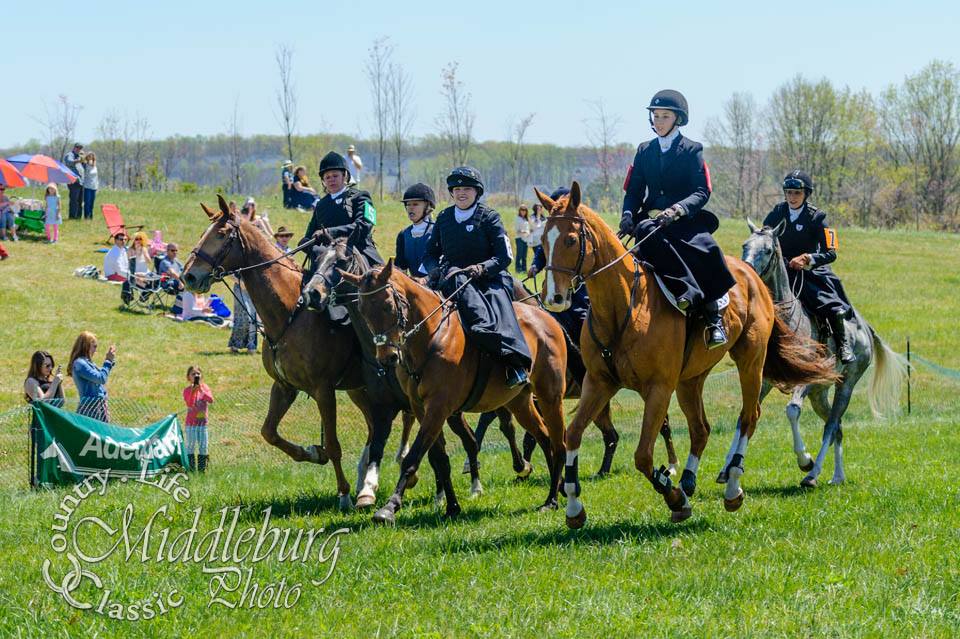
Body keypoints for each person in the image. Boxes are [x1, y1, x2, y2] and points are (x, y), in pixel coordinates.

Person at [619, 89, 735, 349]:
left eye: (664, 116)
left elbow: (702, 190)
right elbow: (634, 189)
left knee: (708, 252)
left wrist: (677, 210)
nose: (658, 121)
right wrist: (627, 213)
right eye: (655, 116)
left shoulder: (692, 149)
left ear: (677, 119)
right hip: (649, 222)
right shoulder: (644, 150)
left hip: (682, 220)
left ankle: (712, 315)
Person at [422, 166, 532, 388]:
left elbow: (505, 256)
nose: (461, 193)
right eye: (457, 189)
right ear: (451, 192)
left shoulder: (490, 217)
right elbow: (430, 253)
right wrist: (434, 270)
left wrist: (481, 268)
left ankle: (514, 363)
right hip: (452, 277)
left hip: (487, 280)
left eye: (467, 189)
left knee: (501, 313)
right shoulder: (443, 218)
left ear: (477, 192)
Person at [763, 170, 855, 363]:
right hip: (782, 269)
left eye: (797, 193)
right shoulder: (777, 213)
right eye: (788, 192)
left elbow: (831, 253)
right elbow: (764, 237)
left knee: (831, 307)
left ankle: (843, 344)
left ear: (806, 194)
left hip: (808, 272)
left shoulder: (818, 217)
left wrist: (807, 258)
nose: (792, 197)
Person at [300, 151, 383, 313]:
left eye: (335, 176)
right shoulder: (321, 205)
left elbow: (364, 225)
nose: (331, 180)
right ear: (323, 181)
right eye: (327, 177)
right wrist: (306, 241)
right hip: (329, 258)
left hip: (358, 252)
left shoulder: (360, 196)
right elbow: (312, 233)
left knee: (381, 285)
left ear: (345, 176)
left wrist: (329, 232)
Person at [68, 331, 116, 422]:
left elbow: (101, 375)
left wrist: (110, 362)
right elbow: (100, 378)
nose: (95, 350)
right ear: (86, 346)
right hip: (90, 410)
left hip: (99, 407)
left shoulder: (87, 363)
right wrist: (108, 361)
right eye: (94, 346)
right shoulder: (80, 364)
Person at [394, 183, 436, 278]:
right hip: (415, 286)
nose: (410, 208)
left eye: (415, 204)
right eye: (408, 204)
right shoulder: (403, 235)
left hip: (439, 286)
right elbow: (401, 267)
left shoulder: (438, 231)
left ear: (428, 206)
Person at [182, 365, 214, 472]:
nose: (196, 375)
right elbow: (190, 403)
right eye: (193, 374)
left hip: (202, 424)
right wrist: (193, 391)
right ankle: (190, 470)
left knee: (203, 446)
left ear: (201, 376)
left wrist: (201, 390)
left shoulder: (205, 387)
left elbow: (210, 400)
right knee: (190, 446)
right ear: (188, 377)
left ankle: (202, 470)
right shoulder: (187, 390)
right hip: (191, 424)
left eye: (198, 374)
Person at [227, 276, 258, 354]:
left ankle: (251, 345)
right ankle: (235, 345)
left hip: (253, 286)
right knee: (243, 316)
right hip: (240, 287)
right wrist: (239, 282)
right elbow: (228, 272)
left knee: (252, 317)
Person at [63, 143, 84, 220]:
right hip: (73, 181)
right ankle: (72, 217)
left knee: (80, 201)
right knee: (74, 200)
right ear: (74, 147)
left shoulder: (79, 156)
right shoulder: (70, 155)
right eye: (77, 148)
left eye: (80, 148)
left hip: (80, 182)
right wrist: (78, 161)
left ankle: (78, 217)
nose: (78, 149)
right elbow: (69, 162)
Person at [80, 152, 99, 220]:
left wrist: (97, 187)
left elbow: (96, 177)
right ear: (87, 158)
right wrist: (82, 156)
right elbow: (81, 160)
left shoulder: (95, 166)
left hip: (94, 187)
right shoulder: (85, 165)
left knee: (91, 203)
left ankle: (90, 217)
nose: (91, 158)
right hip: (87, 186)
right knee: (87, 203)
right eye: (89, 156)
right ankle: (86, 217)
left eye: (92, 156)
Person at [514, 205, 531, 273]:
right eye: (522, 210)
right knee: (519, 255)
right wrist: (523, 231)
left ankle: (524, 269)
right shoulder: (518, 219)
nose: (523, 212)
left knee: (524, 255)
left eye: (525, 210)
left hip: (526, 239)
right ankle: (518, 269)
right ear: (520, 211)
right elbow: (517, 230)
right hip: (519, 238)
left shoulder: (526, 219)